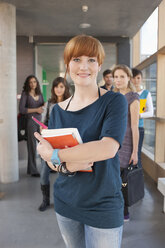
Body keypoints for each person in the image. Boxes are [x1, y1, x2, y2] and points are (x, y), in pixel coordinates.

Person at [34, 35, 128, 248]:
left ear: (100, 65)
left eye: (91, 60)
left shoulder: (114, 102)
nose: (83, 66)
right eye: (76, 59)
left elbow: (107, 148)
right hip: (66, 202)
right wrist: (64, 164)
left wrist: (56, 155)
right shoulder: (57, 111)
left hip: (104, 204)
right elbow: (51, 165)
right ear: (67, 64)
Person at [112, 64, 140, 222]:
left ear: (128, 78)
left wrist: (135, 151)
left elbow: (134, 126)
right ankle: (116, 209)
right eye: (116, 77)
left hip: (127, 142)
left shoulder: (133, 97)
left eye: (122, 76)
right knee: (114, 177)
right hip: (114, 141)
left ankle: (124, 212)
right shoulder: (114, 96)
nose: (118, 80)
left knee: (123, 179)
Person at [39, 77, 70, 211]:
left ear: (65, 88)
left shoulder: (70, 103)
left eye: (61, 86)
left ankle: (63, 200)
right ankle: (45, 200)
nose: (59, 89)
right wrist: (43, 129)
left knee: (63, 173)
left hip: (64, 143)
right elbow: (42, 122)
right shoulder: (49, 103)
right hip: (49, 142)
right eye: (56, 86)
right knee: (44, 173)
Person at [19, 75, 44, 177]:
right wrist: (36, 110)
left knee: (44, 144)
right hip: (31, 122)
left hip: (40, 122)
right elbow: (22, 110)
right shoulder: (25, 94)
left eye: (34, 82)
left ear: (37, 83)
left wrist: (44, 106)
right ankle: (33, 170)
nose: (33, 84)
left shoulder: (39, 93)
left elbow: (42, 106)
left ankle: (48, 166)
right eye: (30, 82)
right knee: (32, 146)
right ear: (28, 84)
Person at [132, 68, 153, 168]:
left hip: (138, 128)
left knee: (137, 156)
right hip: (125, 128)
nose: (136, 80)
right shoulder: (127, 93)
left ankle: (137, 180)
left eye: (138, 78)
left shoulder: (145, 93)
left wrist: (138, 114)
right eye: (133, 78)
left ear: (142, 79)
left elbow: (150, 113)